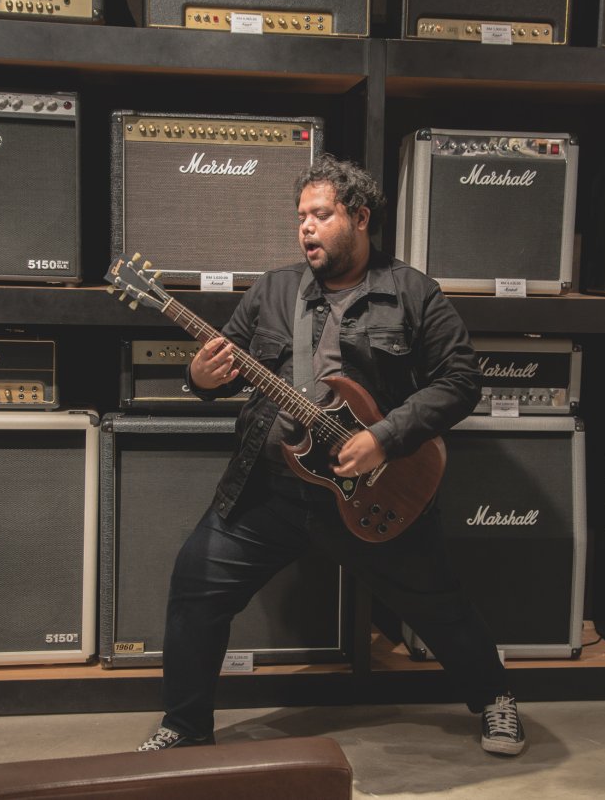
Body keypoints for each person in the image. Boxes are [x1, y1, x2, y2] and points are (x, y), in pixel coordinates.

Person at [137, 154, 525, 757]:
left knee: (438, 602)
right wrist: (201, 375)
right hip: (267, 491)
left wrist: (385, 437)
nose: (306, 228)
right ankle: (185, 725)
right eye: (300, 217)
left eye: (321, 214)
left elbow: (460, 381)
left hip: (371, 487)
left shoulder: (412, 292)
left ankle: (496, 700)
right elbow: (223, 364)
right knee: (196, 585)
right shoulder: (273, 289)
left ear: (360, 218)